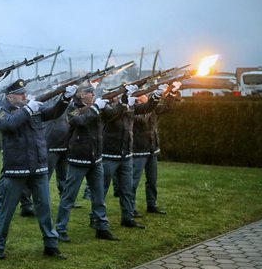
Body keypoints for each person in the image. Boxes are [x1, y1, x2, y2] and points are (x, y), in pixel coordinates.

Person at [0, 79, 74, 260]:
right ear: (10, 96)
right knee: (7, 210)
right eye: (20, 94)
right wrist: (28, 109)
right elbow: (10, 125)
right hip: (16, 169)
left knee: (44, 207)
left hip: (38, 166)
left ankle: (50, 244)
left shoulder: (32, 107)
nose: (24, 96)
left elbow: (53, 112)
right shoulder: (1, 111)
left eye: (24, 93)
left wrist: (65, 99)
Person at [54, 84, 119, 242]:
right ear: (81, 95)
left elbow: (113, 115)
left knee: (99, 197)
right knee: (69, 197)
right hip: (78, 158)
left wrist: (123, 100)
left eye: (93, 92)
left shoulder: (96, 107)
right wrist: (97, 106)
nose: (93, 94)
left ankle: (101, 227)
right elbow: (81, 121)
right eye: (89, 92)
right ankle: (60, 229)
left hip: (95, 158)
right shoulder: (72, 108)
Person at [101, 83, 162, 230]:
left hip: (126, 154)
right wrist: (124, 99)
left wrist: (156, 96)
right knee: (101, 190)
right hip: (109, 155)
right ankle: (96, 219)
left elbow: (147, 108)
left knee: (127, 189)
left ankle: (127, 217)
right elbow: (115, 113)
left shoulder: (129, 105)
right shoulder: (106, 108)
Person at [131, 81, 182, 215]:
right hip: (138, 149)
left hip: (152, 147)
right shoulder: (133, 109)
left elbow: (167, 108)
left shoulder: (150, 106)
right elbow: (142, 119)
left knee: (152, 181)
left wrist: (171, 93)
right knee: (133, 182)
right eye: (141, 95)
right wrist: (149, 103)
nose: (143, 96)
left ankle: (152, 204)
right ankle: (130, 207)